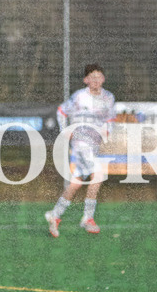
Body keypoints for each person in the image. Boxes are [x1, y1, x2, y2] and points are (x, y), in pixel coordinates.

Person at [45, 64, 116, 237]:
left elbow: (110, 119)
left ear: (103, 79)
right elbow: (61, 111)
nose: (96, 80)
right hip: (80, 143)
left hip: (94, 145)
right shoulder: (79, 97)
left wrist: (107, 131)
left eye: (98, 76)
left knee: (76, 183)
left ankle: (55, 214)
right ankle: (88, 218)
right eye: (92, 77)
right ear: (86, 80)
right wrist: (66, 131)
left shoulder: (108, 98)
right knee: (98, 176)